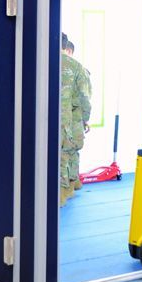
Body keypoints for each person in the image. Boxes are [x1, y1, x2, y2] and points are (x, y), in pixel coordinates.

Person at [60, 33, 93, 206]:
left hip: (42, 122)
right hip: (70, 122)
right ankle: (65, 193)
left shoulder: (39, 62)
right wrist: (85, 119)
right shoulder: (77, 67)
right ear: (66, 47)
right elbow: (84, 98)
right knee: (67, 154)